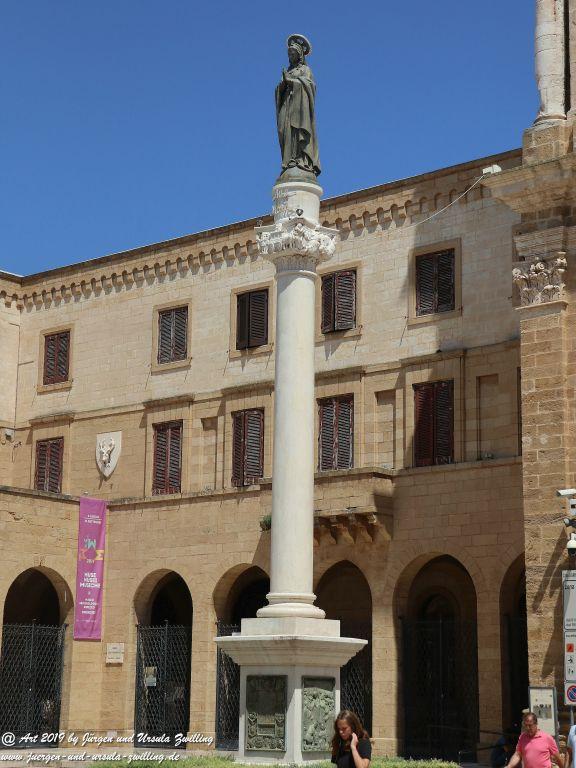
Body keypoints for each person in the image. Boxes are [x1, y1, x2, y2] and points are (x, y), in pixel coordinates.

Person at [275, 34, 321, 178]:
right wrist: (283, 84)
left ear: (299, 54)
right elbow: (278, 91)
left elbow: (310, 86)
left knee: (298, 132)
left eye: (293, 53)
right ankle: (288, 160)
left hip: (300, 109)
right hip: (287, 106)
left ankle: (301, 159)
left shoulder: (305, 70)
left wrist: (292, 82)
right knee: (285, 131)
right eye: (289, 54)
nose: (290, 56)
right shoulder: (288, 71)